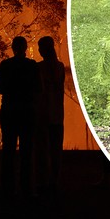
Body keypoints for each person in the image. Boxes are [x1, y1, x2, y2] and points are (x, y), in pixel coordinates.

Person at [0, 36, 41, 199]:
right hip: (27, 111)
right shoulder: (32, 66)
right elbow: (38, 88)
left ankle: (8, 188)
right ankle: (27, 188)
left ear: (13, 48)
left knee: (8, 150)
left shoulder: (6, 65)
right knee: (27, 151)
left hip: (9, 111)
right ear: (25, 48)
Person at [36, 36, 66, 193]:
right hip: (57, 115)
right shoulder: (59, 67)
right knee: (55, 150)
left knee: (43, 150)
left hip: (43, 115)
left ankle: (44, 180)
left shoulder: (38, 68)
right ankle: (54, 180)